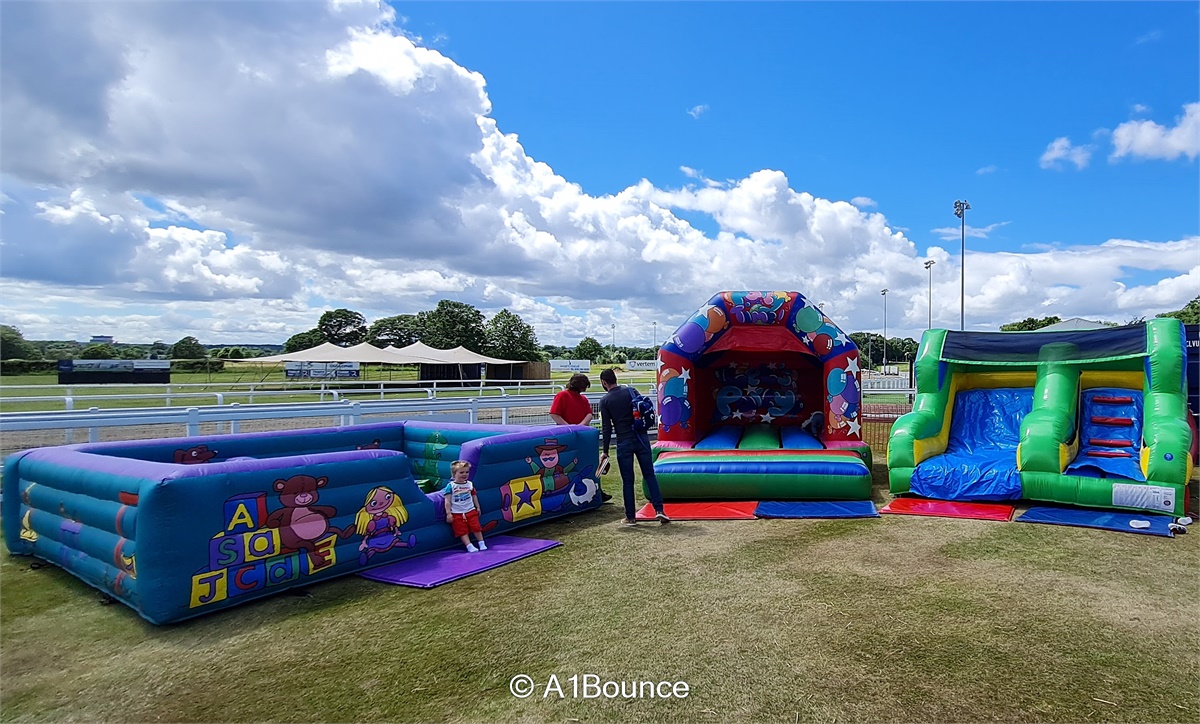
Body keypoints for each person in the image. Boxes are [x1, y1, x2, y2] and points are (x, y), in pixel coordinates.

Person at [598, 368, 669, 526]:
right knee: (649, 475)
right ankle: (659, 510)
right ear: (615, 378)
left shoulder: (605, 401)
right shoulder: (631, 391)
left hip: (624, 441)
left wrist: (605, 451)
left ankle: (630, 517)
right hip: (641, 437)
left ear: (604, 382)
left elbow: (607, 428)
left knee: (628, 481)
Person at [549, 373, 613, 502]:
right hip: (567, 435)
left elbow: (589, 414)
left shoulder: (582, 399)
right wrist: (570, 427)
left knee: (588, 463)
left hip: (580, 435)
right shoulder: (562, 395)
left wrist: (579, 427)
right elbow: (554, 414)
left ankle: (596, 489)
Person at [443, 460, 487, 552]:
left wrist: (477, 507)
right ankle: (469, 545)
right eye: (461, 472)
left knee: (476, 527)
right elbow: (447, 501)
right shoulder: (451, 486)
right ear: (454, 474)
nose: (465, 474)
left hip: (470, 510)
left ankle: (481, 542)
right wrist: (448, 513)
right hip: (457, 512)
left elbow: (474, 496)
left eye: (467, 472)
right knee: (461, 530)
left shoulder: (469, 484)